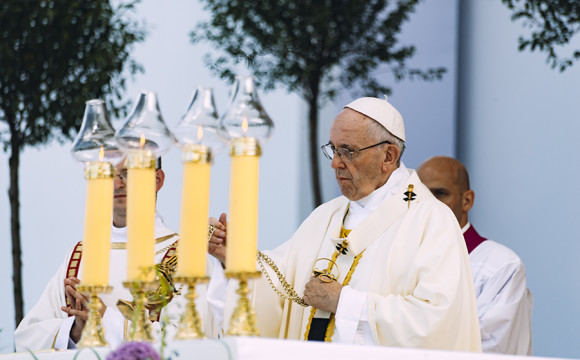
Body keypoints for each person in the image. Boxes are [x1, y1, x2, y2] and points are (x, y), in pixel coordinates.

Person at [208, 97, 482, 351]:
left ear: (388, 156)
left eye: (348, 151)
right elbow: (279, 288)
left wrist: (346, 303)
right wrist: (236, 259)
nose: (336, 163)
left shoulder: (431, 221)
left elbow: (437, 322)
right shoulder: (325, 216)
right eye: (333, 150)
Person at [14, 158, 217, 351]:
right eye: (109, 174)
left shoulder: (186, 256)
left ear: (157, 180)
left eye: (127, 174)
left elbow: (193, 345)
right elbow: (26, 338)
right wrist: (75, 331)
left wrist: (106, 321)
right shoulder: (78, 257)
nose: (117, 183)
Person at [417, 156, 533, 355]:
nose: (429, 204)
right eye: (421, 194)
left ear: (467, 200)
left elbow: (491, 348)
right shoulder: (400, 259)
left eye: (440, 194)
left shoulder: (501, 267)